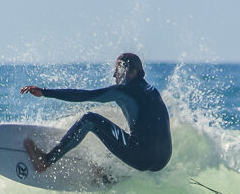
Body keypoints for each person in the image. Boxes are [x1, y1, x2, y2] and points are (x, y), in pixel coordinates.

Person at [20, 53, 172, 173]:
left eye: (118, 70)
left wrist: (45, 92)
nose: (114, 75)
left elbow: (86, 96)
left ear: (132, 72)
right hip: (163, 160)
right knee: (123, 134)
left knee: (89, 119)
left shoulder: (124, 91)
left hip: (142, 156)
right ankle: (109, 174)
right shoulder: (153, 91)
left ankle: (46, 161)